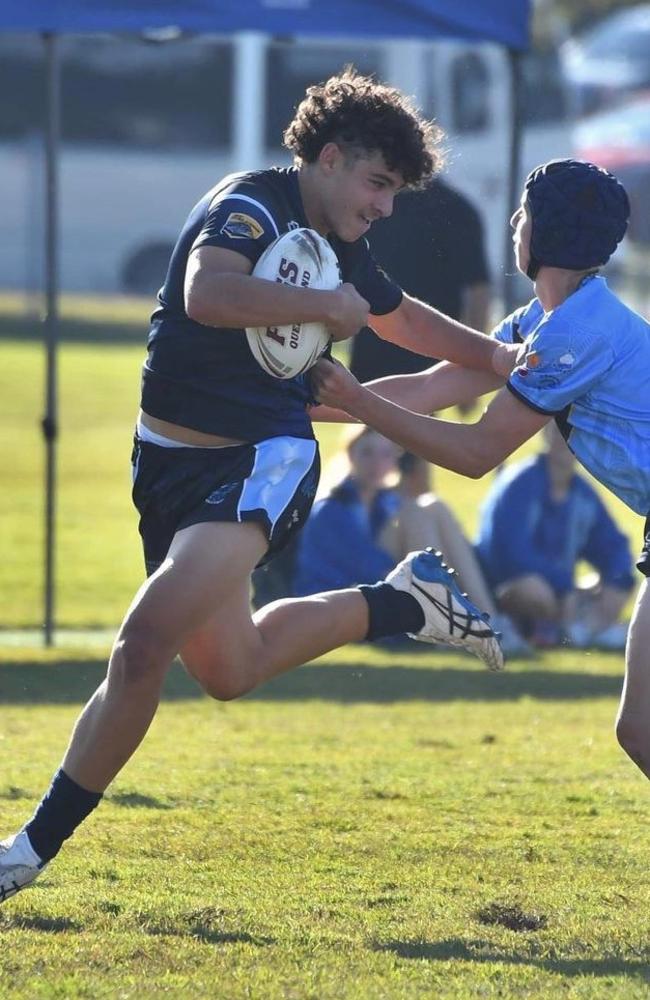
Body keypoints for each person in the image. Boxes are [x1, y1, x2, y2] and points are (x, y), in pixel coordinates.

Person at [0, 69, 511, 905]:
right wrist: (333, 307)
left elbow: (400, 316)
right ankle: (402, 603)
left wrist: (493, 356)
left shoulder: (342, 244)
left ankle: (26, 850)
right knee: (230, 668)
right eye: (378, 184)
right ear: (331, 157)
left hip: (261, 459)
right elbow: (209, 293)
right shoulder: (252, 205)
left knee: (142, 645)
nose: (385, 206)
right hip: (166, 461)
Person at [312, 157, 650, 781]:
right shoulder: (544, 322)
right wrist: (297, 407)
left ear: (542, 234)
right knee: (641, 729)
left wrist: (358, 401)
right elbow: (431, 386)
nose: (515, 223)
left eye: (524, 213)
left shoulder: (575, 332)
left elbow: (475, 453)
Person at [293, 429, 529, 655]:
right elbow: (371, 568)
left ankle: (489, 618)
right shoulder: (331, 509)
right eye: (367, 453)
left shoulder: (386, 502)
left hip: (385, 586)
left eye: (385, 455)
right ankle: (453, 622)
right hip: (346, 601)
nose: (376, 463)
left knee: (432, 505)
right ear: (351, 454)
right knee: (416, 511)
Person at [476, 422, 635, 649]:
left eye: (575, 431)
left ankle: (575, 627)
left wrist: (616, 583)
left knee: (613, 586)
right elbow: (510, 554)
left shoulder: (583, 493)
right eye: (560, 430)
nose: (567, 439)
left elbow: (613, 547)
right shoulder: (519, 482)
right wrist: (564, 585)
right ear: (545, 434)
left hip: (563, 592)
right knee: (535, 590)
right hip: (509, 587)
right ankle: (570, 628)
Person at [349, 176, 491, 383]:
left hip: (420, 347)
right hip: (389, 344)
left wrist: (476, 365)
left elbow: (478, 288)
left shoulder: (375, 205)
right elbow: (479, 289)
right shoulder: (456, 207)